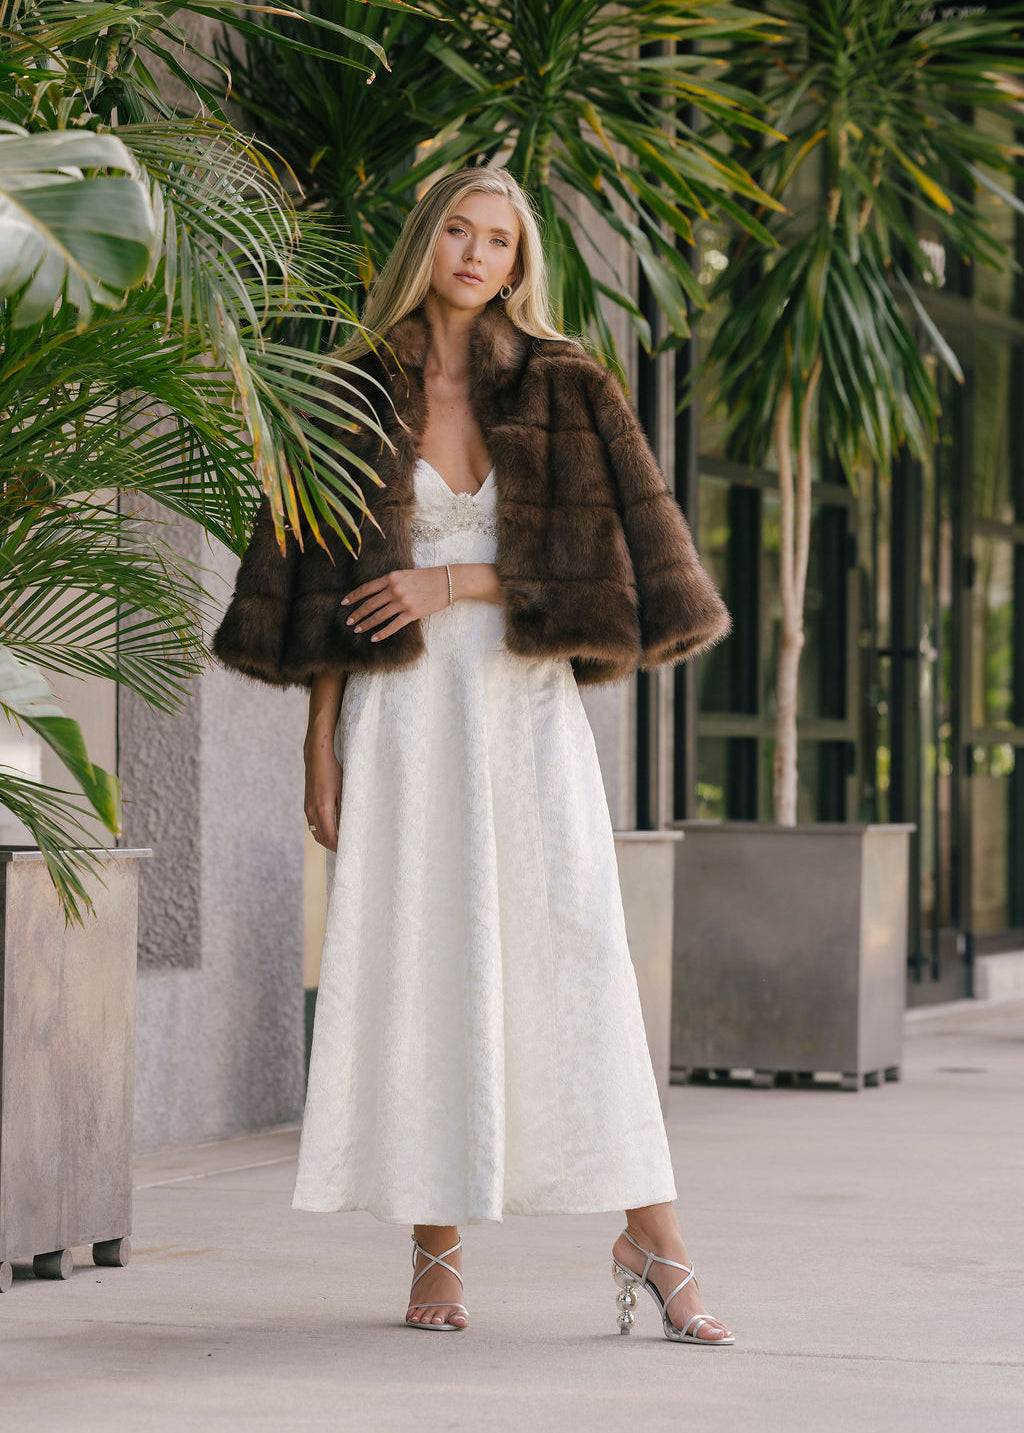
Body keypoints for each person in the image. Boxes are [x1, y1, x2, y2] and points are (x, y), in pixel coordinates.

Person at [212, 167, 733, 1343]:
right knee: (425, 963)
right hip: (398, 723)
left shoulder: (567, 382)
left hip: (524, 716)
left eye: (499, 239)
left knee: (580, 960)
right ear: (425, 238)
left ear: (518, 262)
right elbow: (322, 592)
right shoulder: (350, 389)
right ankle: (434, 1243)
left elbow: (613, 577)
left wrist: (450, 580)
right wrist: (317, 742)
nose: (475, 252)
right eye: (457, 228)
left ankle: (655, 1238)